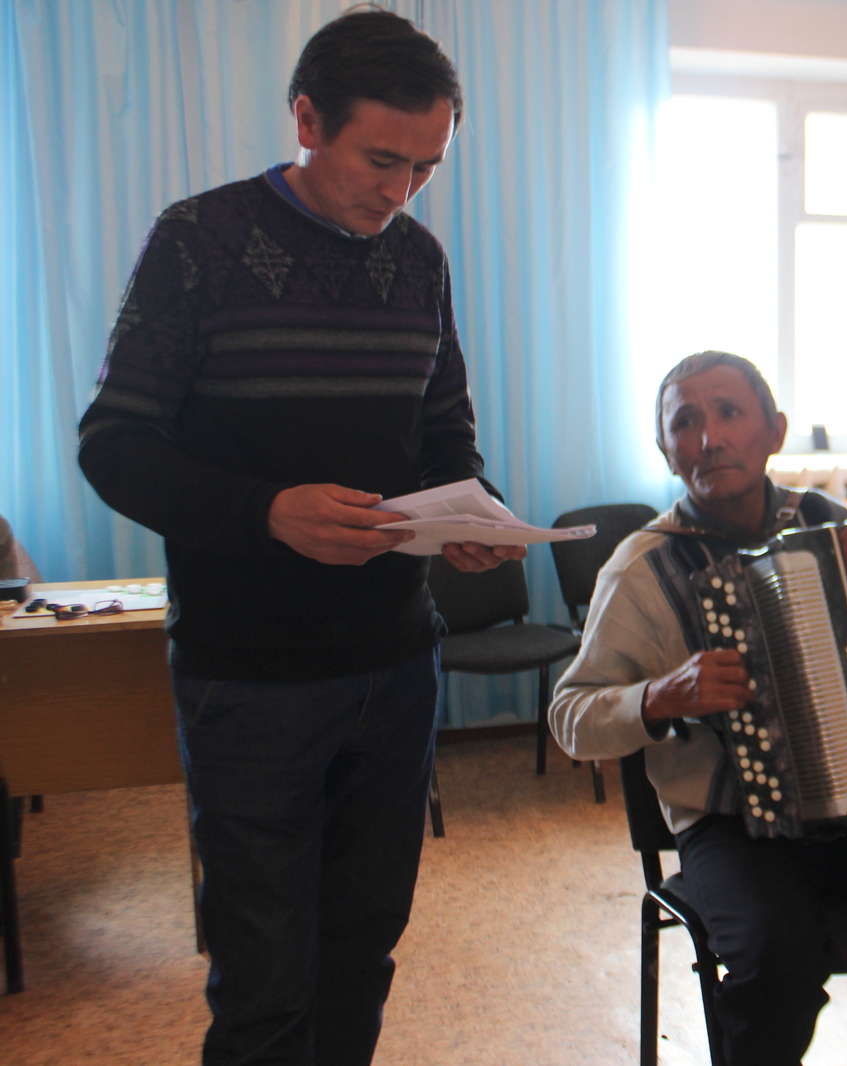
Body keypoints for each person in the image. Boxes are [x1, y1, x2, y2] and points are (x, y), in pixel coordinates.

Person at [77, 11, 524, 1064]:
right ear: (307, 118)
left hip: (393, 664)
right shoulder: (198, 239)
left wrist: (476, 515)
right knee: (267, 977)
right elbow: (114, 445)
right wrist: (266, 511)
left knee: (362, 950)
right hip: (251, 679)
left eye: (427, 166)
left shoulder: (419, 260)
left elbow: (442, 438)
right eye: (381, 159)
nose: (400, 191)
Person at [550, 351, 847, 1066]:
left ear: (773, 430)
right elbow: (570, 715)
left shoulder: (827, 521)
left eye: (729, 413)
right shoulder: (643, 566)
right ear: (666, 450)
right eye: (685, 423)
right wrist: (658, 697)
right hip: (728, 825)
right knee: (777, 967)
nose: (709, 437)